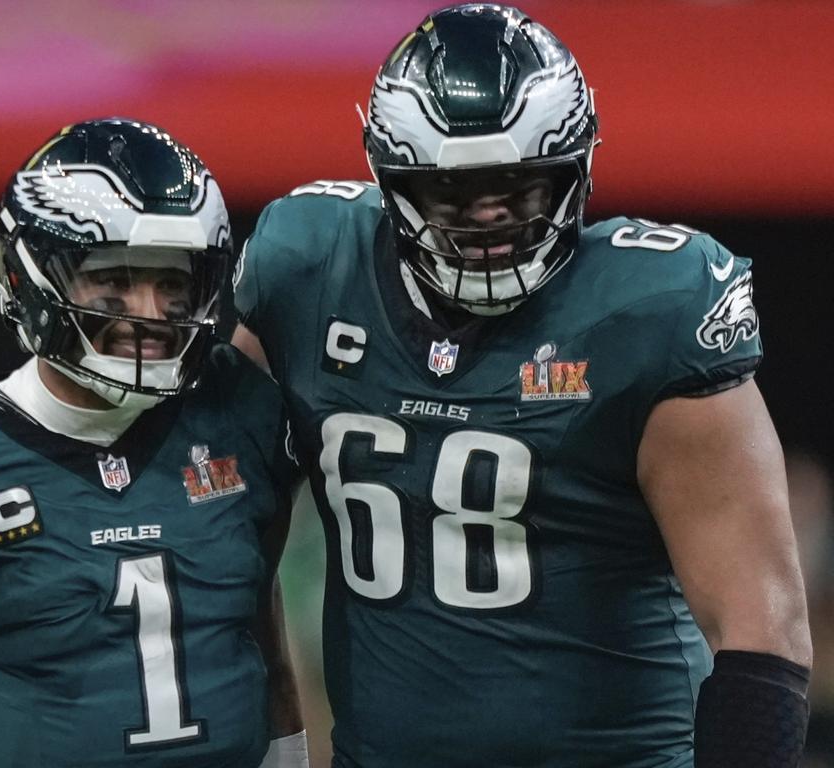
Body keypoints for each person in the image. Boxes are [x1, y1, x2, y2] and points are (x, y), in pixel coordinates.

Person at [231, 6, 811, 767]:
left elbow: (761, 633)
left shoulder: (650, 309)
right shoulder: (308, 271)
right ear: (394, 182)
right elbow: (225, 538)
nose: (492, 216)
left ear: (575, 167)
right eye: (454, 192)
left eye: (520, 185)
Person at [0, 119, 308, 768]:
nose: (152, 314)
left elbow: (263, 657)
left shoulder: (236, 416)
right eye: (114, 284)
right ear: (31, 281)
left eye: (172, 284)